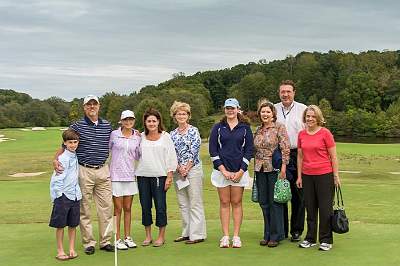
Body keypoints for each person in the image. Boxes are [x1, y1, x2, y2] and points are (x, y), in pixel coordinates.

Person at [53, 95, 114, 255]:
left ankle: (105, 241)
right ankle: (88, 243)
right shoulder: (77, 126)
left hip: (103, 169)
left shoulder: (107, 125)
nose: (92, 107)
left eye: (94, 104)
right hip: (84, 170)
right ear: (84, 107)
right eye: (89, 104)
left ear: (99, 106)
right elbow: (64, 146)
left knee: (106, 208)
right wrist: (55, 159)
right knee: (84, 208)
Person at [209, 98, 253, 248]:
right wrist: (223, 170)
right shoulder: (218, 127)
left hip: (239, 172)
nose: (230, 111)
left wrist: (241, 171)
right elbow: (213, 150)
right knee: (224, 202)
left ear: (238, 109)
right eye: (227, 108)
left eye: (232, 108)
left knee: (236, 202)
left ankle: (236, 236)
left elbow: (249, 150)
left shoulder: (245, 128)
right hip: (222, 172)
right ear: (224, 109)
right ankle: (225, 236)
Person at [296, 105, 341, 251]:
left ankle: (326, 239)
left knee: (325, 208)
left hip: (325, 175)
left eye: (313, 116)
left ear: (318, 118)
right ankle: (310, 238)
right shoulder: (301, 134)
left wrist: (336, 175)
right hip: (307, 175)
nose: (310, 119)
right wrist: (299, 176)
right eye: (308, 116)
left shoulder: (325, 133)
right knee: (310, 207)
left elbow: (333, 156)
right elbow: (300, 156)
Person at [135, 108, 178, 247]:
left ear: (158, 121)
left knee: (160, 207)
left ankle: (161, 236)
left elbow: (172, 157)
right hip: (142, 176)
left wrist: (170, 176)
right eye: (149, 121)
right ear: (145, 123)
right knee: (145, 207)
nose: (151, 123)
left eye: (154, 120)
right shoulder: (140, 137)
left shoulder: (166, 137)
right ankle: (148, 236)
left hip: (160, 176)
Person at [254, 100, 290, 248]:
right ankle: (267, 233)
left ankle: (276, 235)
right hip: (260, 169)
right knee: (264, 202)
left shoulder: (279, 127)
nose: (265, 114)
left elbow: (285, 148)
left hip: (274, 168)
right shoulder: (258, 129)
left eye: (268, 111)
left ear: (273, 113)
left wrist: (283, 168)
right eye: (263, 112)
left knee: (274, 202)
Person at [170, 101, 207, 244]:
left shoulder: (193, 130)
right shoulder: (172, 134)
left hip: (193, 170)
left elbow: (195, 149)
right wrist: (179, 167)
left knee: (195, 201)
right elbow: (172, 152)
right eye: (179, 113)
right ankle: (186, 232)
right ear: (175, 116)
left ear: (188, 115)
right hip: (178, 172)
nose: (181, 116)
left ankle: (197, 234)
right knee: (183, 203)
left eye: (184, 113)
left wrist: (187, 167)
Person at [274, 80, 307, 242]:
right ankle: (281, 230)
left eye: (288, 91)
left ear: (294, 92)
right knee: (280, 193)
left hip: (298, 154)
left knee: (298, 195)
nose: (285, 94)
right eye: (282, 92)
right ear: (279, 93)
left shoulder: (303, 109)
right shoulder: (273, 109)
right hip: (278, 155)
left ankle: (296, 230)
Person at [109, 110, 141, 250]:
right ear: (121, 121)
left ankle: (128, 237)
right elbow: (107, 150)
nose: (128, 122)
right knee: (118, 208)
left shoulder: (137, 137)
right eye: (125, 120)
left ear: (134, 120)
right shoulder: (114, 134)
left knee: (128, 208)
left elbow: (138, 156)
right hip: (115, 176)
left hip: (130, 176)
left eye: (131, 120)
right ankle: (117, 238)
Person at [49, 129, 81, 261]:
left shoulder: (75, 155)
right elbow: (57, 180)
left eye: (75, 142)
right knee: (61, 225)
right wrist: (58, 196)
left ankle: (72, 249)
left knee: (73, 225)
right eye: (70, 142)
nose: (73, 145)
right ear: (65, 143)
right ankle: (60, 250)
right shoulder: (62, 158)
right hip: (63, 196)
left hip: (75, 196)